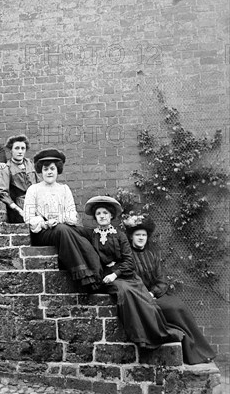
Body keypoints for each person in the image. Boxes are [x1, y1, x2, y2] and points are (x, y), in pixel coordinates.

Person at [84, 196, 184, 349]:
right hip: (106, 278)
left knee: (145, 299)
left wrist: (115, 273)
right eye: (98, 213)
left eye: (105, 213)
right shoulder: (91, 235)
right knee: (126, 291)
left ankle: (158, 333)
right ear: (95, 217)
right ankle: (140, 337)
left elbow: (129, 262)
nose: (102, 216)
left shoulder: (120, 235)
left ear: (111, 215)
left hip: (124, 274)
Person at [124, 214, 216, 364]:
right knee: (173, 309)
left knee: (179, 306)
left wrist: (153, 292)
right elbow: (130, 280)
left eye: (144, 235)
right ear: (131, 237)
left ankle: (200, 351)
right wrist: (145, 294)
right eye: (137, 235)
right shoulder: (128, 257)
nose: (141, 238)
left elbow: (162, 280)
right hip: (140, 297)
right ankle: (191, 351)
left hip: (156, 294)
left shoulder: (152, 254)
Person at [23, 149, 102, 291]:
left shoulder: (64, 189)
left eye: (52, 169)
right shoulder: (33, 189)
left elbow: (72, 215)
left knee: (88, 233)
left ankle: (97, 271)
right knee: (62, 229)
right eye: (45, 169)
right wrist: (45, 223)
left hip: (63, 228)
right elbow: (28, 218)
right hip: (43, 233)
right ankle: (84, 275)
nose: (49, 172)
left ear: (57, 170)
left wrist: (59, 219)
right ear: (40, 171)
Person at [0, 135, 38, 223]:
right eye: (17, 148)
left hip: (36, 204)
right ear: (11, 150)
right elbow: (2, 192)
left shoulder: (30, 163)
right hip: (19, 207)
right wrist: (18, 210)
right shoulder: (6, 168)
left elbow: (39, 184)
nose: (20, 151)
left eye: (23, 148)